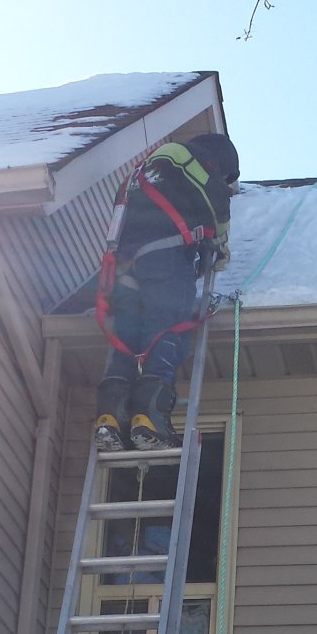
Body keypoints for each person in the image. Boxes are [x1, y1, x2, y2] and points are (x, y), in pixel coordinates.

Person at [94, 133, 240, 451]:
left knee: (128, 338)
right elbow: (217, 201)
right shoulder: (190, 160)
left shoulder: (148, 169)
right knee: (167, 328)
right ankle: (149, 419)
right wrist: (219, 247)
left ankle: (110, 419)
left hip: (125, 268)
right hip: (164, 261)